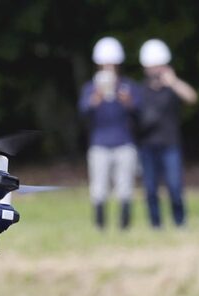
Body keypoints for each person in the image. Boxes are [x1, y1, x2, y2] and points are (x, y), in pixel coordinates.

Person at [79, 37, 142, 230]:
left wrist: (128, 102)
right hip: (99, 144)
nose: (108, 67)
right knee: (98, 188)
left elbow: (140, 111)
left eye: (112, 63)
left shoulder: (128, 86)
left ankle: (124, 224)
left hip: (124, 142)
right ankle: (100, 224)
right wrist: (94, 100)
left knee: (125, 187)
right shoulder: (90, 88)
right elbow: (82, 112)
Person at [137, 39, 198, 228]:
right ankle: (155, 224)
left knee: (174, 187)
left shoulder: (173, 89)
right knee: (151, 189)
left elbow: (192, 97)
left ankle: (180, 222)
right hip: (147, 146)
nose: (156, 71)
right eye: (152, 67)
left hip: (170, 145)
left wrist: (174, 82)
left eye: (159, 66)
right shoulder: (140, 91)